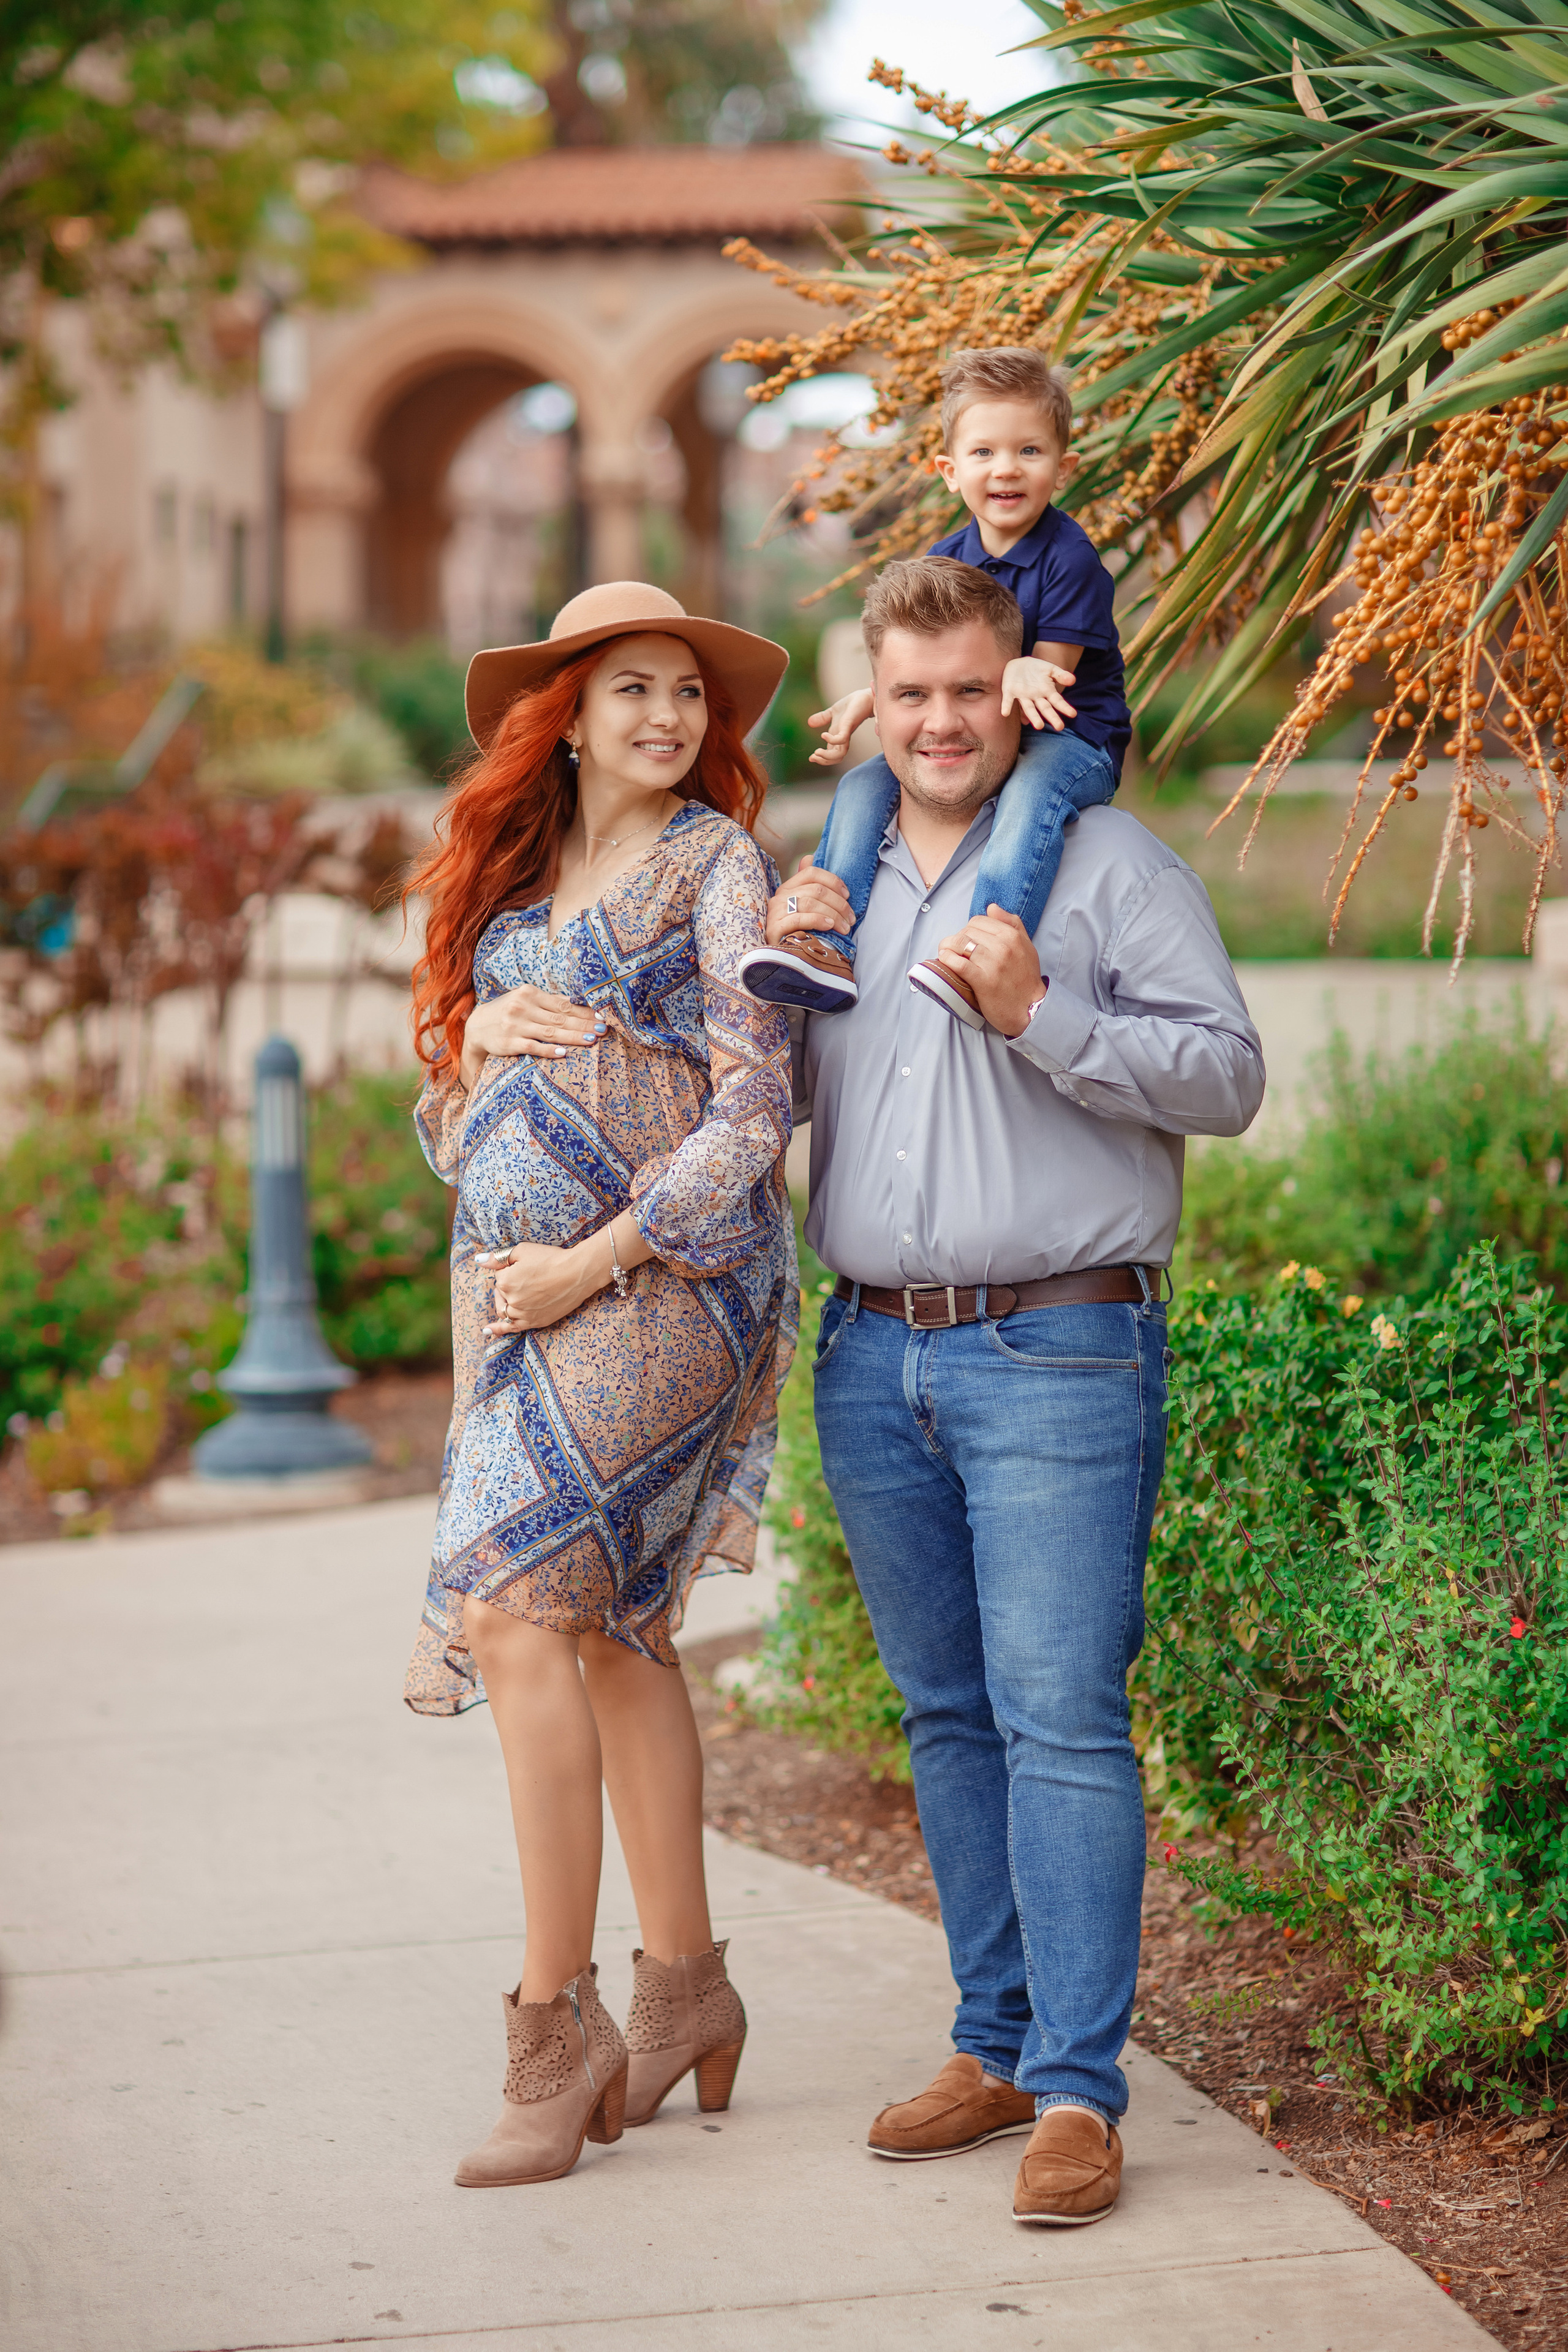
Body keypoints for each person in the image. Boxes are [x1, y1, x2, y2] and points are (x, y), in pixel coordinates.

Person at [772, 555, 1264, 2226]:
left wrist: (1043, 1014)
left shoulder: (1108, 865)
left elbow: (1230, 1075)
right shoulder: (829, 891)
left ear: (1021, 690)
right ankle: (990, 2048)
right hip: (870, 1352)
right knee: (947, 1715)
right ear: (873, 701)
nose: (940, 723)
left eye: (969, 692)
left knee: (1059, 1718)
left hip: (1060, 1346)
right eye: (908, 695)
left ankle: (1077, 2091)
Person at [401, 581, 797, 2190]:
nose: (666, 717)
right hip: (517, 1315)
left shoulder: (719, 867)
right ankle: (688, 1992)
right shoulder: (513, 892)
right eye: (631, 688)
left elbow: (758, 1109)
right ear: (561, 712)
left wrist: (600, 1258)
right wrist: (479, 1034)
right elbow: (444, 1129)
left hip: (670, 1286)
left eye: (687, 694)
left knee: (515, 1616)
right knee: (619, 1634)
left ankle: (552, 2034)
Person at [739, 347, 1130, 1027]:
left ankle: (980, 956)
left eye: (1029, 451)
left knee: (1030, 799)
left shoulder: (1072, 562)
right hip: (991, 727)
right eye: (983, 452)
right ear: (950, 472)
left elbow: (1042, 677)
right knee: (864, 785)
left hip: (1070, 737)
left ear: (1062, 468)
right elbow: (921, 657)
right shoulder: (949, 558)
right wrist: (874, 696)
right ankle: (823, 942)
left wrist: (1019, 667)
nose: (1005, 469)